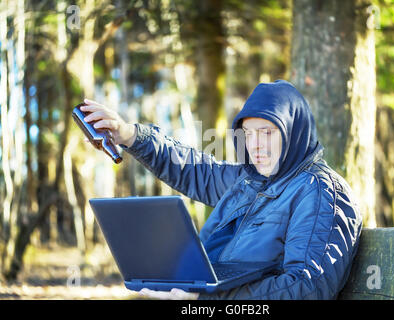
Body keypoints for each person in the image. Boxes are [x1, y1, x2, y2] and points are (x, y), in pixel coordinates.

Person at [81, 80, 362, 300]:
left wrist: (205, 298)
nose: (256, 145)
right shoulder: (249, 180)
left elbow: (308, 287)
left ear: (294, 131)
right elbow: (194, 169)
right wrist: (129, 135)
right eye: (249, 134)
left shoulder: (319, 191)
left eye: (267, 132)